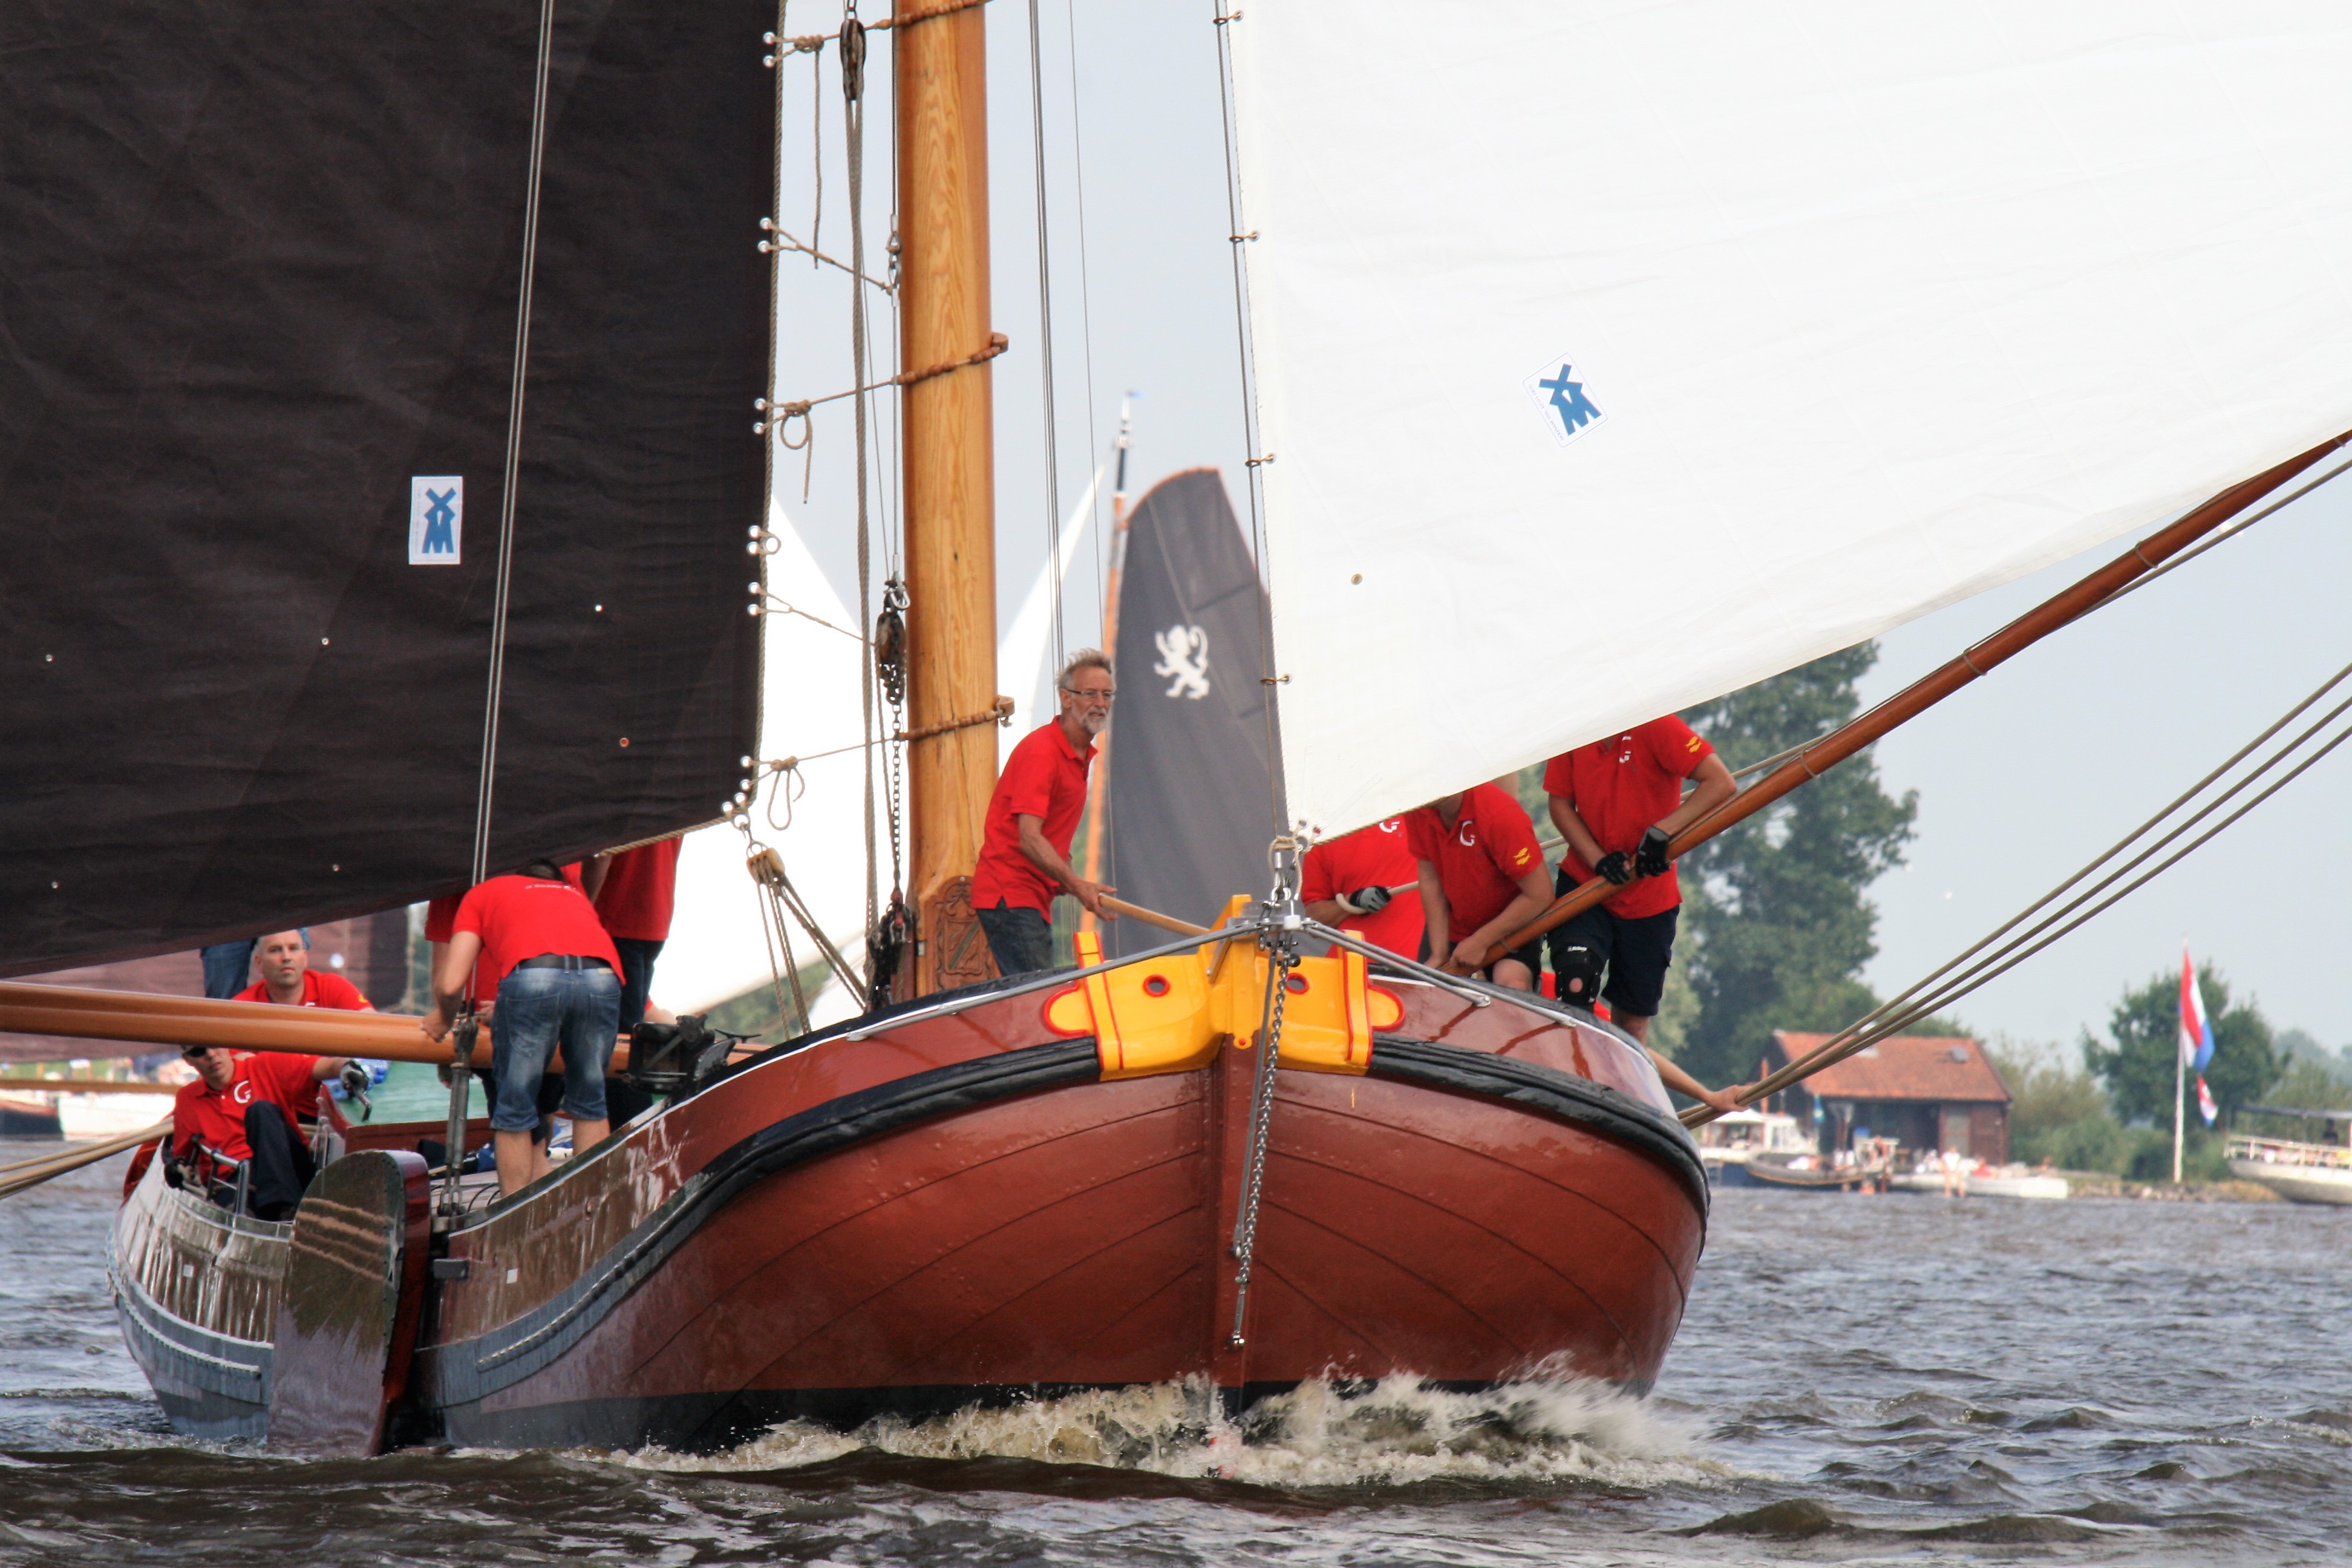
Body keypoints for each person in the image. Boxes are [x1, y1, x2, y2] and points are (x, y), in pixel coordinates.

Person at [420, 858, 622, 1196]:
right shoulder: (572, 895)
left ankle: (513, 1211)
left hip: (533, 979)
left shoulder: (483, 893)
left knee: (514, 1107)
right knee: (590, 1102)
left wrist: (442, 1019)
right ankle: (591, 1208)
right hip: (602, 978)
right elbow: (567, 968)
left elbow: (451, 983)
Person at [1543, 716, 1736, 1048]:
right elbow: (1559, 802)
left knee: (1632, 1027)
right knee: (1576, 982)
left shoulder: (1658, 725)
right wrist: (1597, 860)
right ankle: (1573, 1075)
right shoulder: (1573, 725)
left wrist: (1664, 832)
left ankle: (1612, 1091)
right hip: (1586, 883)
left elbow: (1720, 782)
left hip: (1650, 896)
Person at [971, 650, 1117, 978]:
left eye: (1107, 695)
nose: (1101, 703)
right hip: (1011, 894)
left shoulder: (1079, 755)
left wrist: (1064, 873)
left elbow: (1049, 834)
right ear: (1066, 698)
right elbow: (1029, 837)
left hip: (1030, 897)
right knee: (1038, 1000)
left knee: (1035, 998)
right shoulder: (1042, 751)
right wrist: (1078, 885)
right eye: (1090, 693)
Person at [169, 1044, 352, 1220]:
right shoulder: (188, 1098)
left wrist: (347, 1068)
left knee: (261, 1110)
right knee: (233, 1202)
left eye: (215, 1045)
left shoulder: (266, 1066)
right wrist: (176, 1170)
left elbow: (327, 1066)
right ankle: (268, 1212)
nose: (211, 1054)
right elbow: (182, 1159)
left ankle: (281, 1207)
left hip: (290, 1170)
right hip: (234, 1181)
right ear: (188, 1060)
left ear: (226, 1044)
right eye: (199, 1051)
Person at [1403, 783, 1553, 990]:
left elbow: (1540, 895)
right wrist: (1439, 953)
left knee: (1513, 987)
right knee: (1426, 996)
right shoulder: (1419, 807)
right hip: (1452, 925)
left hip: (1512, 923)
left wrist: (1480, 941)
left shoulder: (1501, 815)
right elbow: (1431, 879)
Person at [588, 835, 684, 1033]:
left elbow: (602, 854)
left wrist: (581, 910)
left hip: (618, 915)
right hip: (655, 916)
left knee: (615, 1033)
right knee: (629, 1026)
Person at [1300, 817, 1425, 962]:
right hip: (1352, 971)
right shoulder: (1324, 836)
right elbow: (1314, 920)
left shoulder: (1424, 813)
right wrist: (1352, 901)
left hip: (1426, 969)